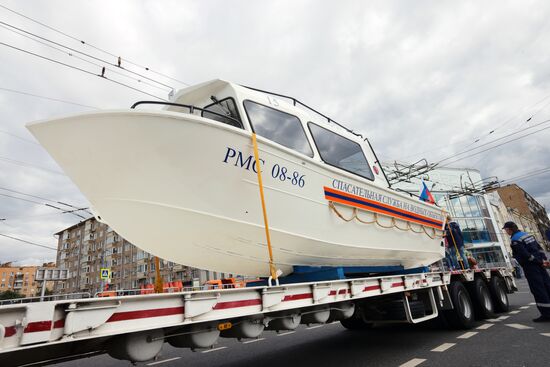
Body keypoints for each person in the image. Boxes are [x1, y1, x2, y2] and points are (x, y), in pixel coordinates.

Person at [503, 221, 550, 322]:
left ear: (509, 229)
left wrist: (536, 261)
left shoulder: (515, 240)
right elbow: (539, 248)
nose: (506, 232)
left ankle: (546, 314)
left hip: (531, 267)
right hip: (540, 264)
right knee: (547, 286)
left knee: (538, 290)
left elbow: (524, 254)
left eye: (506, 230)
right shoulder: (527, 235)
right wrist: (543, 260)